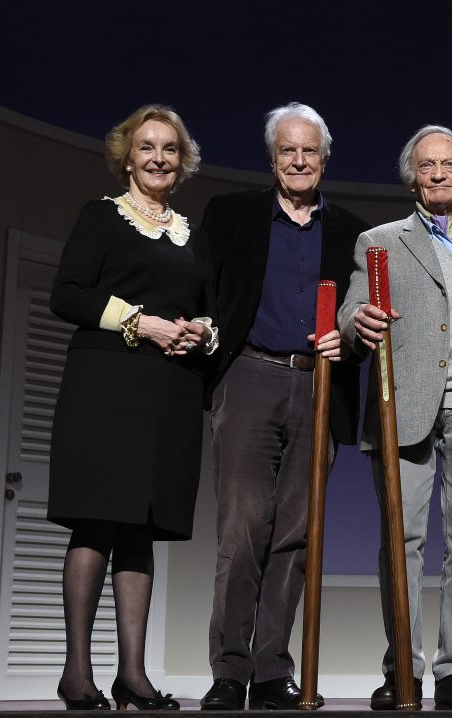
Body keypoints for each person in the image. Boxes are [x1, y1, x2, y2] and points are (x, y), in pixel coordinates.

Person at [339, 124, 452, 711]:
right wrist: (356, 321)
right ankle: (403, 671)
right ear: (411, 177)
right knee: (402, 540)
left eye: (448, 164)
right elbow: (349, 312)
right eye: (426, 166)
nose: (438, 174)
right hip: (405, 404)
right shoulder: (381, 240)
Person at [199, 102, 369, 710]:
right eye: (288, 151)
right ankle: (229, 670)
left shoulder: (352, 230)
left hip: (320, 383)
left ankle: (272, 670)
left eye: (310, 152)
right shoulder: (231, 215)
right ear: (272, 159)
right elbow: (203, 290)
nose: (299, 161)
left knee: (297, 535)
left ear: (325, 160)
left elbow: (361, 314)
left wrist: (346, 341)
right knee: (243, 528)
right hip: (248, 375)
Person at [49, 104, 216, 711]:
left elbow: (204, 306)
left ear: (182, 161)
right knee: (98, 517)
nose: (158, 158)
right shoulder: (102, 217)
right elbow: (65, 294)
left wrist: (199, 330)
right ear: (127, 155)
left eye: (169, 149)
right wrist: (140, 322)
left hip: (169, 392)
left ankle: (133, 676)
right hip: (106, 386)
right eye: (147, 147)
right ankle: (76, 673)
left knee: (140, 526)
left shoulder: (190, 234)